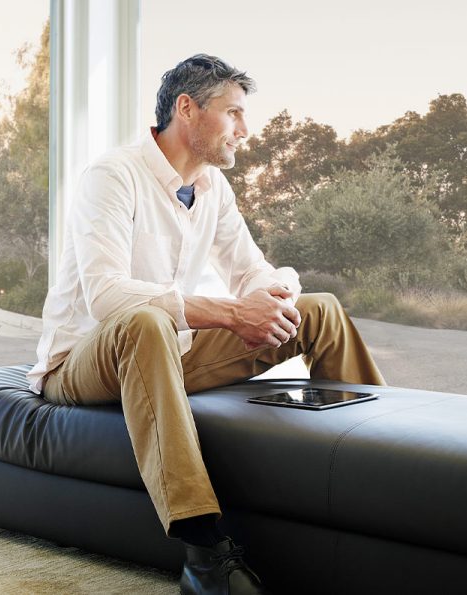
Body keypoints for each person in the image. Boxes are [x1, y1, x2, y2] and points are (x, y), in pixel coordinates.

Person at [29, 54, 385, 595]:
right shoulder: (113, 175)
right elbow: (107, 298)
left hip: (168, 354)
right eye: (234, 113)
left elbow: (251, 271)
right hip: (81, 363)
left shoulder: (213, 187)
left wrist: (274, 296)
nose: (245, 130)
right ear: (187, 108)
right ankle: (206, 555)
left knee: (320, 308)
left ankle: (381, 469)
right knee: (145, 322)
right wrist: (233, 313)